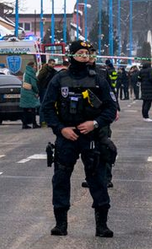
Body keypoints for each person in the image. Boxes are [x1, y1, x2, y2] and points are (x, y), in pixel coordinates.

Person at [41, 39, 118, 236]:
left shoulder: (99, 79)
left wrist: (95, 123)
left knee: (97, 179)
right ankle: (61, 223)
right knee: (60, 178)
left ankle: (102, 225)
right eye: (80, 53)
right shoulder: (59, 79)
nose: (84, 57)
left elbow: (111, 109)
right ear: (71, 55)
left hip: (91, 136)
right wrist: (60, 129)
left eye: (87, 54)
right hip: (67, 137)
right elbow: (47, 109)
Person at [19, 60, 41, 128]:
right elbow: (33, 85)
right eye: (34, 66)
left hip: (24, 92)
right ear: (32, 67)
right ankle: (34, 123)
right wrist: (37, 91)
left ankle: (24, 124)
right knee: (33, 109)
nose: (35, 67)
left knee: (25, 109)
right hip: (30, 92)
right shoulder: (31, 73)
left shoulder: (25, 72)